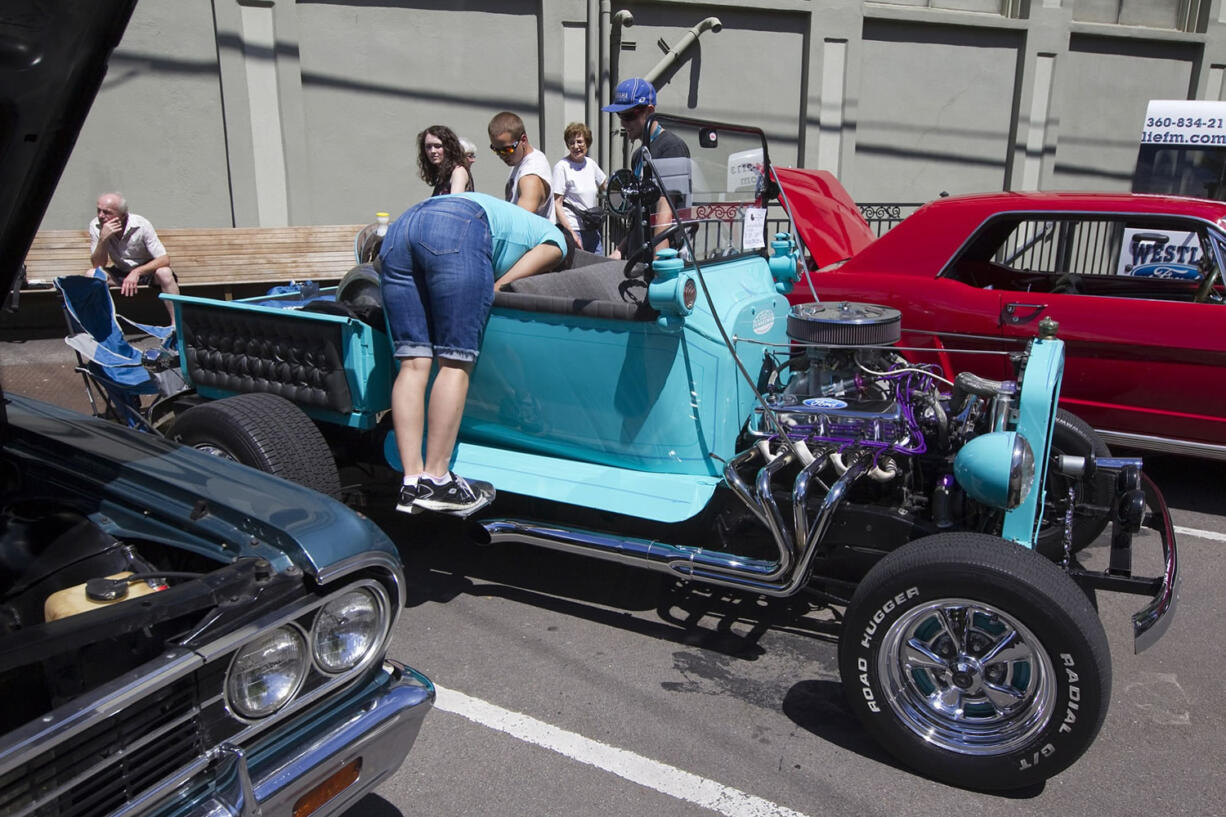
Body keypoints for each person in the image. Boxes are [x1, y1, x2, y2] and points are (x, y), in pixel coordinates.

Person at [379, 192, 573, 516]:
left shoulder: (511, 219)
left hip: (402, 227)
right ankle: (437, 480)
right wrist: (499, 284)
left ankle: (412, 481)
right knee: (455, 360)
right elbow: (551, 253)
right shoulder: (552, 234)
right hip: (457, 227)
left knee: (413, 364)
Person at [601, 78, 691, 259]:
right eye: (620, 116)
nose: (623, 123)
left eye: (628, 116)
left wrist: (660, 267)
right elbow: (640, 214)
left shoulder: (671, 148)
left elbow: (664, 214)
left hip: (662, 256)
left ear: (649, 111)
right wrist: (620, 250)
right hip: (640, 255)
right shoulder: (638, 155)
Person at [89, 192, 180, 323]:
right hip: (120, 272)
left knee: (165, 272)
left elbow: (164, 259)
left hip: (146, 271)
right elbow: (98, 265)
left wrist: (137, 272)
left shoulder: (141, 224)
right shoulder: (96, 226)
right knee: (92, 274)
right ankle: (100, 325)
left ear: (122, 215)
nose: (100, 216)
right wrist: (103, 239)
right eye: (98, 210)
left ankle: (176, 325)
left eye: (106, 212)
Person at [488, 111, 555, 222]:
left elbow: (519, 223)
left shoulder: (530, 176)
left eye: (507, 149)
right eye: (496, 150)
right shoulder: (520, 162)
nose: (501, 155)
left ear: (523, 140)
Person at [552, 122, 607, 253]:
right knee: (578, 270)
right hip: (574, 229)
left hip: (592, 228)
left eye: (579, 142)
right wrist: (571, 233)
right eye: (571, 143)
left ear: (587, 143)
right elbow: (557, 203)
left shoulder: (591, 164)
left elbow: (607, 186)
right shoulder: (562, 167)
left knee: (599, 266)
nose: (576, 146)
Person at [417, 125, 473, 196]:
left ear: (449, 147)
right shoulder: (442, 175)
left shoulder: (458, 171)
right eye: (428, 147)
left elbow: (455, 204)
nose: (432, 151)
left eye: (438, 146)